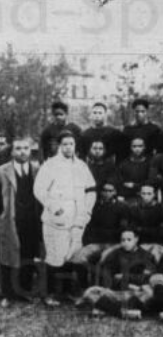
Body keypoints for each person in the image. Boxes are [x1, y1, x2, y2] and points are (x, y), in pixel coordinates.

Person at [33, 130, 96, 306]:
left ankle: (68, 291)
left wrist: (86, 212)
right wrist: (53, 207)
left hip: (76, 217)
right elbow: (39, 189)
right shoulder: (50, 165)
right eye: (65, 144)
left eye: (71, 144)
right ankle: (49, 294)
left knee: (72, 255)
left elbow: (91, 191)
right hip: (56, 218)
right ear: (60, 146)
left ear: (75, 145)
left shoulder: (81, 166)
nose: (69, 147)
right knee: (55, 256)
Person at [0, 136, 42, 303]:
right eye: (18, 148)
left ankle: (24, 290)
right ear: (11, 151)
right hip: (10, 219)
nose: (22, 152)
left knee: (28, 253)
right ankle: (7, 294)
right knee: (7, 255)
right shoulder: (3, 171)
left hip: (32, 220)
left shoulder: (37, 169)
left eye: (25, 148)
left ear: (31, 150)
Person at [70, 181, 130, 292]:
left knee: (105, 259)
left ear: (115, 192)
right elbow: (89, 227)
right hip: (97, 243)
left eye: (110, 191)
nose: (107, 193)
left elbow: (123, 229)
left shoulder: (122, 207)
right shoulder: (95, 206)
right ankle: (84, 288)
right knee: (78, 259)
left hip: (113, 243)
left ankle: (103, 290)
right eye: (104, 191)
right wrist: (89, 241)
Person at [116, 137, 151, 204]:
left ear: (144, 147)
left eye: (140, 146)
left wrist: (135, 185)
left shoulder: (150, 163)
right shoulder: (124, 164)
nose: (137, 149)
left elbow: (152, 181)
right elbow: (120, 181)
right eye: (134, 146)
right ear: (131, 148)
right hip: (128, 196)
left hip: (146, 195)